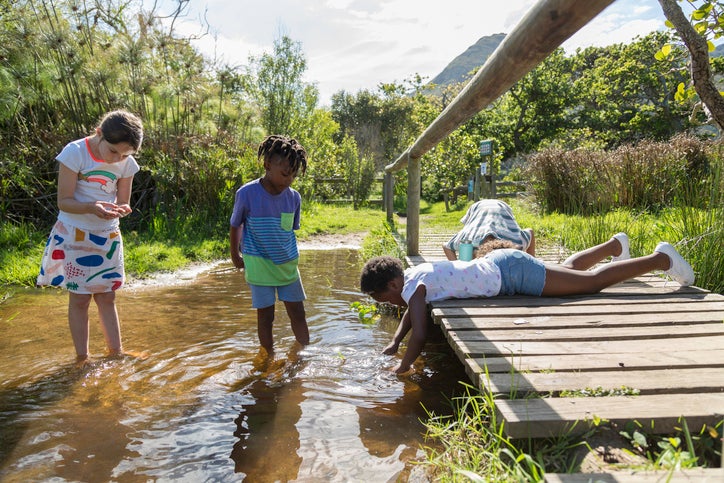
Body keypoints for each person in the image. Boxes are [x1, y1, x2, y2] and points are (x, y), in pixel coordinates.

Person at [360, 234, 694, 374]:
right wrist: (392, 341)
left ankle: (660, 259)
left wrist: (403, 365)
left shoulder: (413, 289)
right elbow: (410, 315)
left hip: (512, 275)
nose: (386, 303)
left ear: (391, 284)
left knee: (591, 284)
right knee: (568, 273)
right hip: (505, 263)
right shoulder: (413, 276)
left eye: (381, 297)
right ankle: (613, 246)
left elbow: (419, 331)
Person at [37, 109, 144, 365]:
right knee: (81, 297)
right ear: (99, 134)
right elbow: (64, 202)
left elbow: (123, 201)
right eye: (114, 152)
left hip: (107, 235)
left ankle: (115, 352)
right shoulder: (75, 153)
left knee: (108, 295)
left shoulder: (126, 163)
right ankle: (82, 358)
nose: (118, 158)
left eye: (124, 154)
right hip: (75, 233)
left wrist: (122, 209)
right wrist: (92, 207)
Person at [229, 134, 310, 354]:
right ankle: (269, 356)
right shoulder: (247, 193)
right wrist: (236, 255)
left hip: (287, 265)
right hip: (259, 265)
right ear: (267, 165)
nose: (288, 180)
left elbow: (289, 231)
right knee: (266, 317)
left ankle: (304, 353)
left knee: (298, 313)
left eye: (293, 175)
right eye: (285, 173)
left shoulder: (294, 198)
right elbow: (236, 225)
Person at [443, 199, 536, 260]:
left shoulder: (517, 243)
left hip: (502, 209)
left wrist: (531, 262)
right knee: (466, 251)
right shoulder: (468, 240)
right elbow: (446, 246)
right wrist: (457, 266)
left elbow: (530, 232)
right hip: (478, 210)